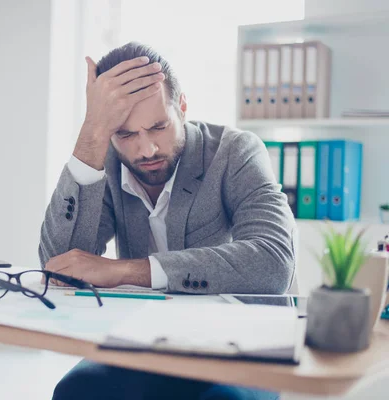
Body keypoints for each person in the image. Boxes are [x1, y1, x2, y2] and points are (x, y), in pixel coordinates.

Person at [39, 42, 295, 400]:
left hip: (237, 341)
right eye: (126, 134)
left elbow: (273, 262)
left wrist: (129, 271)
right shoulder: (108, 163)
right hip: (146, 340)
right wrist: (91, 136)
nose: (146, 150)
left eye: (158, 127)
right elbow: (59, 265)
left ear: (183, 107)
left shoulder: (235, 152)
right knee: (75, 392)